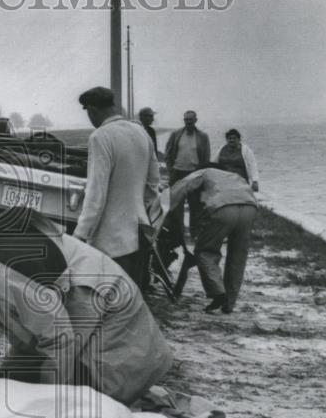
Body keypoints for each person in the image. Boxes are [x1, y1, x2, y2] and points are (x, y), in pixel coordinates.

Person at [0, 209, 174, 406]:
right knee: (4, 395)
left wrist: (49, 406)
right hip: (59, 323)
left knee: (83, 406)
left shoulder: (4, 275)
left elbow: (59, 341)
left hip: (105, 313)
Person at [74, 86, 161, 287]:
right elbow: (153, 183)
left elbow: (96, 193)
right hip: (139, 236)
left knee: (108, 306)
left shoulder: (100, 137)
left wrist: (80, 234)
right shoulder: (141, 133)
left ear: (92, 110)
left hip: (111, 242)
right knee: (131, 302)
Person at [168, 164, 259, 314]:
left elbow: (180, 188)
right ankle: (229, 304)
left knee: (205, 251)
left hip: (223, 208)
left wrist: (162, 206)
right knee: (238, 255)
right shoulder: (234, 175)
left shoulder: (204, 172)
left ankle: (218, 293)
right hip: (250, 208)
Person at [163, 110, 211, 247]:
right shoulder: (176, 134)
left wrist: (202, 174)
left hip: (194, 174)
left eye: (190, 120)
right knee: (176, 206)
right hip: (178, 173)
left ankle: (194, 234)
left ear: (196, 120)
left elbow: (206, 157)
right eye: (186, 120)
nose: (188, 122)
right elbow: (168, 154)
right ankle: (179, 234)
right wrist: (171, 170)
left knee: (195, 205)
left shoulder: (203, 136)